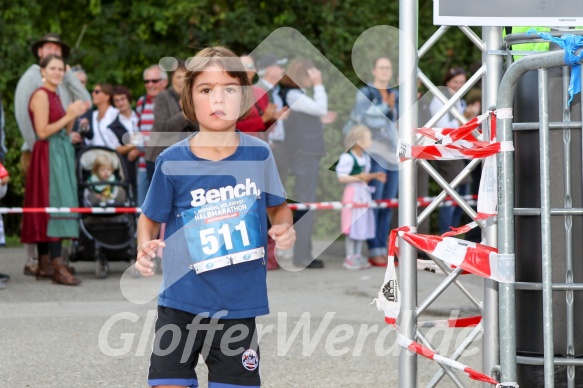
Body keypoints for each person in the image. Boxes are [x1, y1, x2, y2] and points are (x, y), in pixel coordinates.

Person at [134, 46, 295, 388]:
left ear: (244, 98)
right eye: (206, 90)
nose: (217, 99)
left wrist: (284, 226)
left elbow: (278, 207)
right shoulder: (171, 160)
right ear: (190, 100)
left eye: (229, 89)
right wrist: (144, 246)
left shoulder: (259, 154)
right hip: (180, 303)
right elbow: (149, 216)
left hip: (238, 308)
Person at [14, 32, 91, 277]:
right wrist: (69, 116)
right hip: (47, 153)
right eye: (53, 68)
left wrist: (70, 116)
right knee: (53, 203)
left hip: (59, 152)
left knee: (54, 203)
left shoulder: (57, 94)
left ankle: (47, 262)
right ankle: (55, 263)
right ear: (42, 70)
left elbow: (65, 124)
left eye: (61, 68)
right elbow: (42, 131)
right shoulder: (40, 94)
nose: (58, 72)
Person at [280, 58, 329, 269]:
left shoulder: (296, 95)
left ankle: (303, 252)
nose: (315, 76)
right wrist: (319, 84)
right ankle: (302, 256)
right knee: (305, 202)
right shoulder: (292, 94)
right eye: (312, 73)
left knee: (306, 201)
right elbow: (321, 109)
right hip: (303, 154)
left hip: (305, 153)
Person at [350, 56, 399, 267]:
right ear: (374, 70)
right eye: (381, 67)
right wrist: (387, 108)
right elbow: (365, 119)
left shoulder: (395, 93)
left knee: (388, 204)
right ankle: (374, 249)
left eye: (388, 68)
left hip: (393, 153)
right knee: (375, 202)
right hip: (374, 152)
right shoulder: (365, 92)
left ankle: (384, 249)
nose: (384, 71)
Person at [428, 67, 473, 234]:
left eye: (462, 82)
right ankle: (445, 235)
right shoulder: (438, 99)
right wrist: (464, 119)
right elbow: (442, 129)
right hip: (444, 150)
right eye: (455, 82)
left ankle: (452, 234)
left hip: (459, 150)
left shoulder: (460, 100)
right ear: (447, 82)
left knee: (462, 194)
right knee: (451, 195)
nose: (459, 85)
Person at [336, 125, 386, 270]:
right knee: (352, 225)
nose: (370, 142)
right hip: (353, 193)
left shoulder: (364, 157)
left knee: (361, 224)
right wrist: (359, 177)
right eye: (368, 139)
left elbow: (364, 175)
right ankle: (350, 256)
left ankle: (357, 255)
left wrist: (375, 175)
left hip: (362, 193)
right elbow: (341, 177)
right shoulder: (347, 157)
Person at [145, 60, 198, 165]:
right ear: (171, 78)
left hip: (185, 158)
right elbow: (163, 128)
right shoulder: (163, 97)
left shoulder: (194, 99)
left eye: (186, 77)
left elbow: (199, 130)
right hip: (160, 157)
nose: (182, 80)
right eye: (179, 77)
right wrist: (185, 115)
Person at [136, 65, 168, 206]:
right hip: (143, 164)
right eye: (147, 81)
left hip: (165, 164)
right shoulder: (141, 103)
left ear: (164, 82)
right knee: (143, 207)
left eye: (154, 81)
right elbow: (137, 131)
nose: (150, 84)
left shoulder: (172, 102)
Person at [255, 54, 289, 177]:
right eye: (279, 66)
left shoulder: (275, 90)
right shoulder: (258, 90)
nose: (283, 70)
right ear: (269, 69)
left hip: (277, 145)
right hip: (267, 144)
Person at [108, 86, 141, 197]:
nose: (120, 103)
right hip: (127, 168)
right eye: (117, 101)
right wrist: (136, 144)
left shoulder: (140, 117)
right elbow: (117, 150)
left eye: (123, 99)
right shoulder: (112, 126)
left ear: (128, 99)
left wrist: (137, 150)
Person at [81, 83, 120, 149]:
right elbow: (89, 140)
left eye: (97, 92)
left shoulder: (116, 114)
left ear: (107, 96)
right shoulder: (92, 115)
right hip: (95, 156)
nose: (93, 94)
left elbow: (129, 136)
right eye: (93, 92)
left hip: (115, 156)